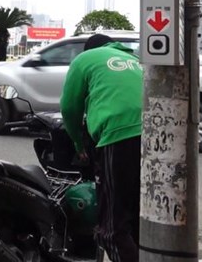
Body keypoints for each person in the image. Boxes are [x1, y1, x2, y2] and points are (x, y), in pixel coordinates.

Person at [60, 33, 143, 262]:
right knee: (138, 219)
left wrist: (78, 143)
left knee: (111, 230)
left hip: (119, 135)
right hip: (154, 136)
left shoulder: (85, 59)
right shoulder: (135, 60)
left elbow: (69, 108)